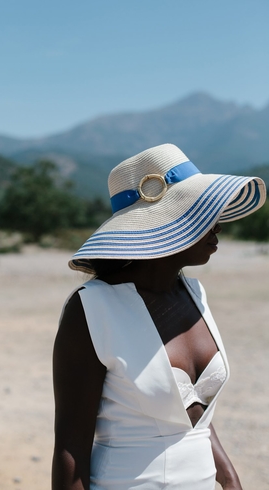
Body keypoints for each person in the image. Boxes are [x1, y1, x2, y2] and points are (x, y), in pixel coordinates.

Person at [52, 143, 266, 490]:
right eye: (198, 211)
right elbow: (71, 446)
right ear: (162, 222)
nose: (217, 225)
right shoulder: (92, 310)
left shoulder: (194, 294)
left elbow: (194, 417)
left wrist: (229, 479)